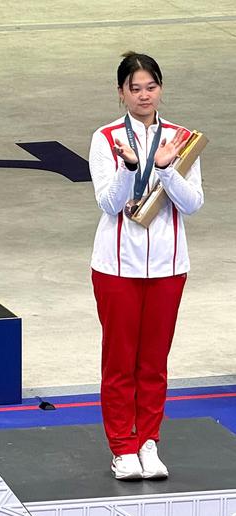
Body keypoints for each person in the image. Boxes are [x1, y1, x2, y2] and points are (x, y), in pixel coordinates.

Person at [89, 53, 203, 480]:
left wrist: (167, 169)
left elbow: (192, 205)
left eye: (150, 87)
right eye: (134, 89)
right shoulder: (105, 138)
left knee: (154, 361)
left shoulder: (182, 138)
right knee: (120, 361)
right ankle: (122, 448)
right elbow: (109, 203)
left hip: (169, 265)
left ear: (161, 89)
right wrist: (130, 167)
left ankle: (148, 442)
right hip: (117, 266)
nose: (143, 96)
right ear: (120, 93)